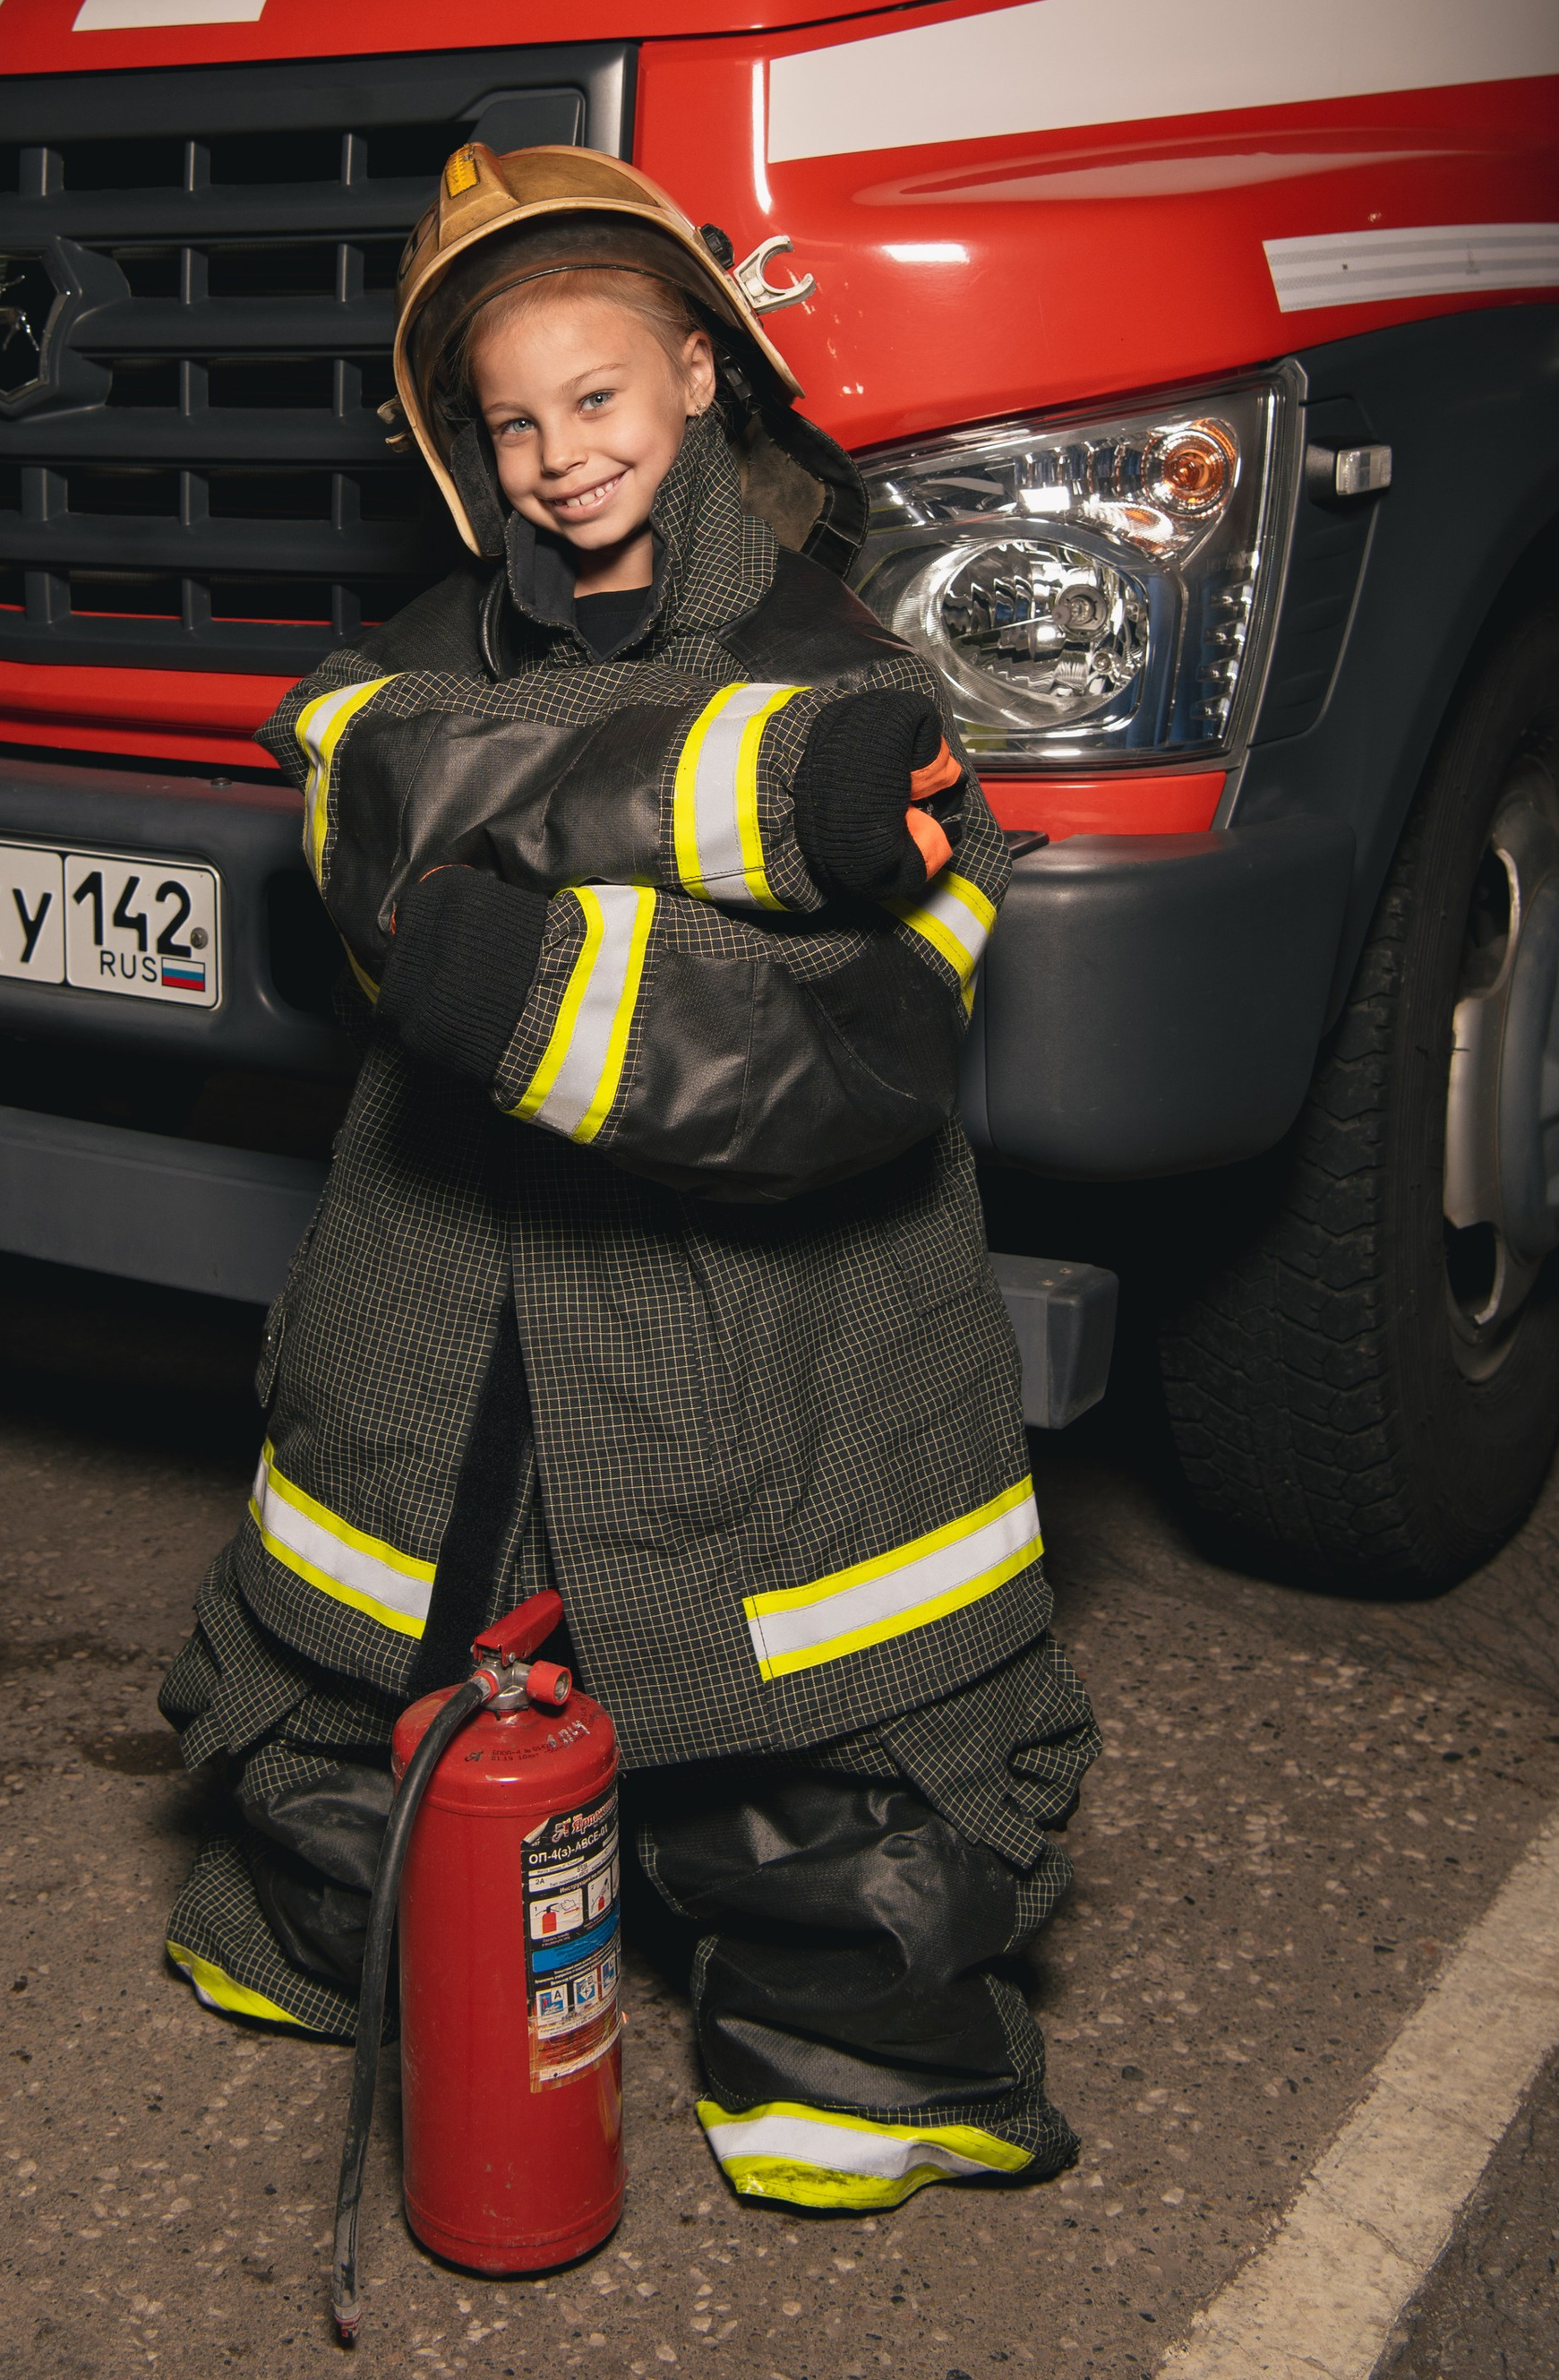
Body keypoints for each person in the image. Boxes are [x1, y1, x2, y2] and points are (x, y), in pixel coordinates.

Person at [158, 142, 1098, 2215]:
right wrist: (744, 813)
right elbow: (374, 797)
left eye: (596, 396)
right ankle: (353, 1937)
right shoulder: (404, 667)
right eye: (512, 420)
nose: (558, 455)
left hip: (767, 1356)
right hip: (445, 1327)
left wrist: (517, 967)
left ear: (693, 374)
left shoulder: (863, 676)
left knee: (810, 1773)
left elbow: (845, 1065)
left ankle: (841, 2066)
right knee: (360, 1716)